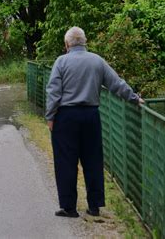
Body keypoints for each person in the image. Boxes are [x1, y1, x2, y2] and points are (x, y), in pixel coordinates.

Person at [45, 26, 144, 218]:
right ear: (85, 42)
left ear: (67, 44)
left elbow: (54, 92)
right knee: (93, 160)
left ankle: (69, 207)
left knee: (66, 161)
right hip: (90, 115)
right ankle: (94, 206)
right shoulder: (97, 61)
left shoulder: (61, 62)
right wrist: (134, 98)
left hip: (65, 117)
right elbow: (116, 83)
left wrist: (50, 116)